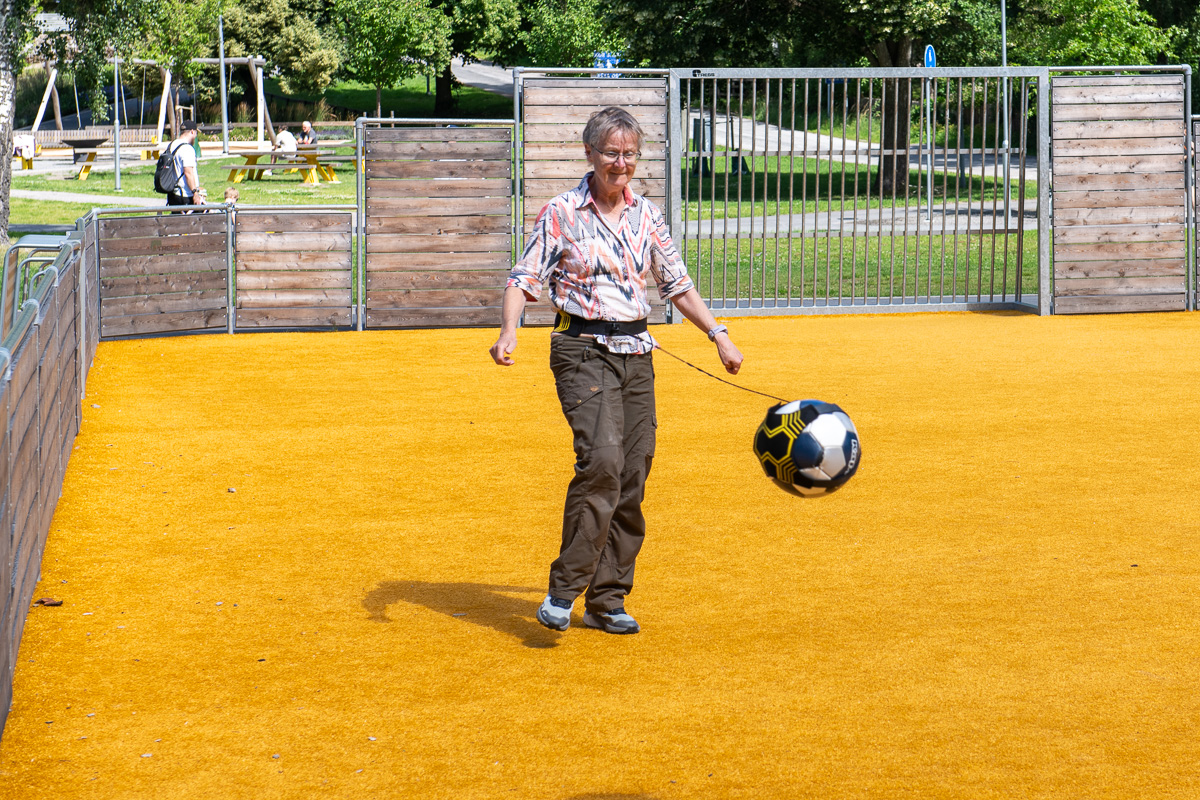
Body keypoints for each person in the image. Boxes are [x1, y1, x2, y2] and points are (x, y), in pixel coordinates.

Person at [489, 106, 743, 636]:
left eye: (629, 154)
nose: (620, 163)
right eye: (610, 152)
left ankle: (608, 599)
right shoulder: (561, 212)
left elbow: (676, 283)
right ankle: (564, 590)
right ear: (590, 154)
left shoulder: (647, 215)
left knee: (632, 474)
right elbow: (523, 276)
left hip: (637, 354)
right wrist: (509, 330)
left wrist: (719, 336)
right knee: (601, 461)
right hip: (581, 351)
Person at [166, 120, 202, 208]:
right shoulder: (187, 149)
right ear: (192, 132)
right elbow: (188, 173)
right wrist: (195, 193)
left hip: (172, 192)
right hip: (185, 194)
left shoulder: (172, 145)